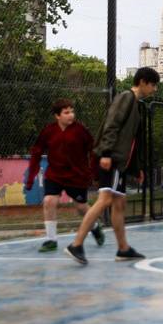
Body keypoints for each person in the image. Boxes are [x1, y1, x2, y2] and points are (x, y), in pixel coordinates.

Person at [65, 67, 159, 265]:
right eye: (153, 84)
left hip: (120, 162)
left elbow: (132, 141)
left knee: (119, 203)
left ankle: (123, 249)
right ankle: (76, 244)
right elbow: (111, 124)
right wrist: (106, 153)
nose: (155, 89)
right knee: (105, 199)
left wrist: (137, 168)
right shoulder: (126, 97)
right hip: (112, 159)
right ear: (142, 81)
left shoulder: (136, 104)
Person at [26, 98, 104, 252]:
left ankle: (94, 227)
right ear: (57, 116)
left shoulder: (81, 131)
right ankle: (51, 240)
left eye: (72, 111)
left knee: (81, 208)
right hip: (55, 174)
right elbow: (36, 152)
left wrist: (93, 172)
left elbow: (94, 150)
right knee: (49, 201)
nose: (71, 115)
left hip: (76, 175)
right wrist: (30, 178)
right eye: (66, 112)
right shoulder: (48, 131)